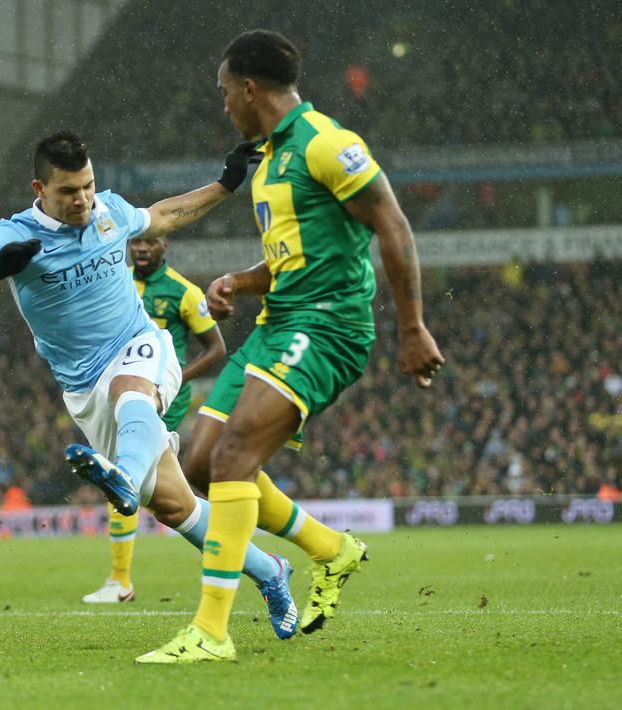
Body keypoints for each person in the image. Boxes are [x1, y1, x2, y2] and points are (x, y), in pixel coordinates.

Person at [137, 30, 444, 665]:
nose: (223, 107)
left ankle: (212, 631)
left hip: (328, 326)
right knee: (198, 464)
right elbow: (290, 259)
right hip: (278, 323)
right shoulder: (269, 161)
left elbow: (393, 225)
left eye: (225, 94)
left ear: (249, 90)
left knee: (236, 454)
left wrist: (412, 326)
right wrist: (239, 282)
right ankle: (332, 550)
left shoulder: (327, 144)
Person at [0, 131, 300, 638]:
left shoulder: (109, 211)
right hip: (82, 387)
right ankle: (271, 571)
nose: (82, 199)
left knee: (131, 390)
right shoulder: (17, 232)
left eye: (88, 185)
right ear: (39, 188)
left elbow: (166, 214)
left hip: (141, 346)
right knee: (177, 507)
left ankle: (123, 479)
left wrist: (225, 184)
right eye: (68, 191)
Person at [82, 234, 238, 603]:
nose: (141, 249)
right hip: (118, 389)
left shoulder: (183, 292)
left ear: (165, 245)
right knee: (155, 490)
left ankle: (121, 580)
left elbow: (217, 348)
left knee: (128, 477)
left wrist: (174, 378)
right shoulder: (116, 279)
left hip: (161, 399)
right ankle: (243, 541)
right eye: (136, 242)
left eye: (150, 242)